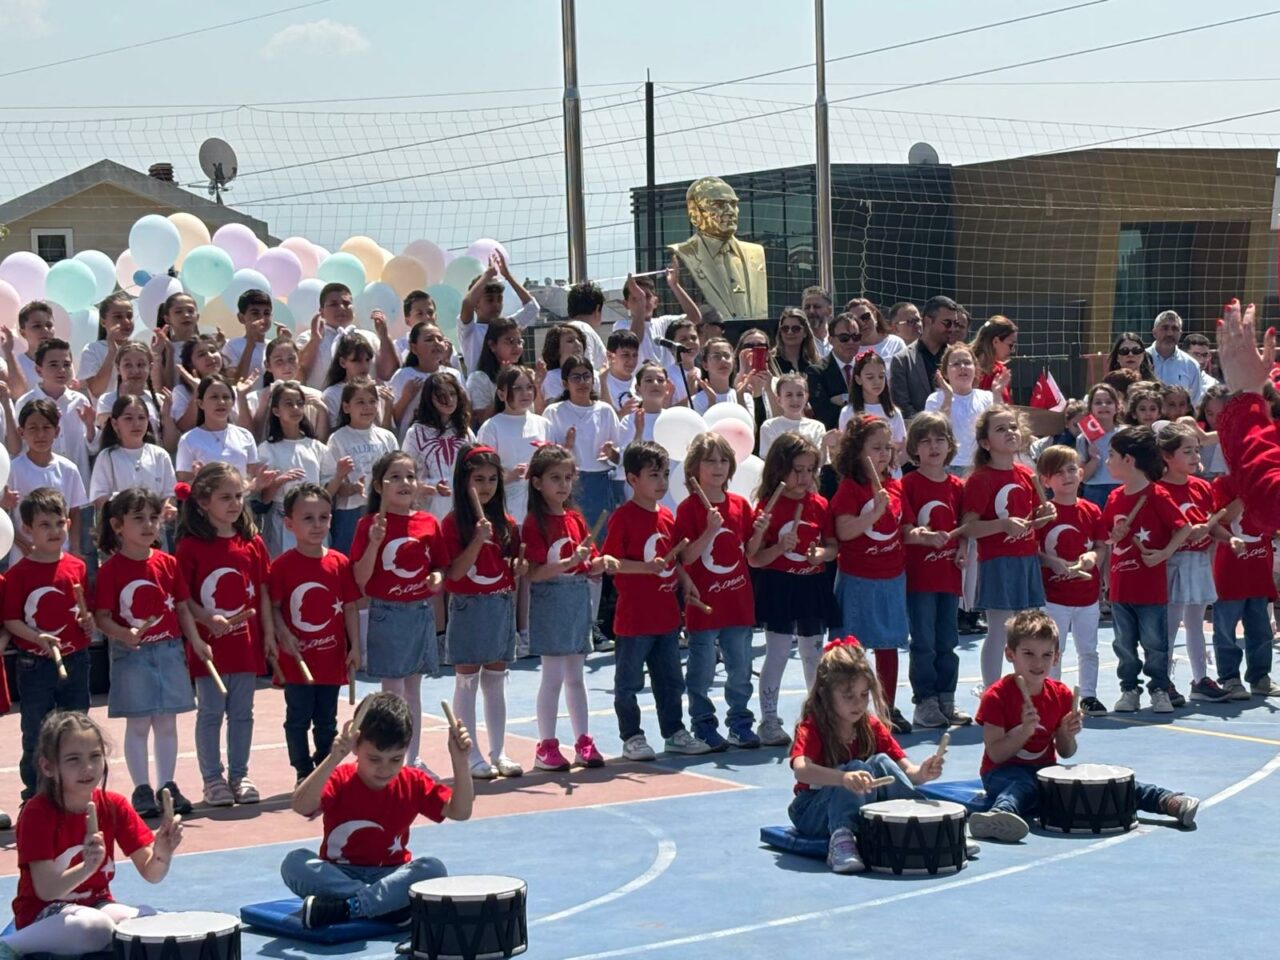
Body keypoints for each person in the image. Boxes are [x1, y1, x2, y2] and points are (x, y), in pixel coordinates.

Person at [968, 610, 1199, 842]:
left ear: (1056, 658)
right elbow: (996, 754)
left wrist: (1066, 734)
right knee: (1023, 785)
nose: (1038, 663)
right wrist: (1023, 732)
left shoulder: (1061, 694)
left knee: (1099, 783)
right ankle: (999, 814)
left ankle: (1166, 801)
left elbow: (1066, 752)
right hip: (1001, 773)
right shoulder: (996, 696)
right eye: (1028, 653)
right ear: (1010, 654)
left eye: (1046, 655)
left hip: (1044, 770)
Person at [282, 692, 473, 930]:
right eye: (374, 759)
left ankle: (348, 907)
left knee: (433, 868)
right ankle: (384, 905)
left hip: (391, 874)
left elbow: (461, 811)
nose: (384, 769)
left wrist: (460, 760)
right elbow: (301, 805)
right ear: (355, 745)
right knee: (294, 863)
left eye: (395, 759)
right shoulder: (340, 777)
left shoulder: (413, 780)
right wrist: (333, 758)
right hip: (339, 873)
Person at [0, 711, 182, 956]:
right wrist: (87, 867)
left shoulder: (114, 805)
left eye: (95, 756)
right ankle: (9, 947)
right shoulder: (37, 813)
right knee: (94, 928)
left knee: (148, 920)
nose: (87, 768)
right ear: (48, 766)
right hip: (43, 914)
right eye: (73, 759)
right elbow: (46, 890)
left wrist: (162, 853)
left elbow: (153, 874)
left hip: (97, 906)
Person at [787, 639, 953, 874]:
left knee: (881, 761)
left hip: (859, 802)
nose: (859, 703)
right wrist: (843, 778)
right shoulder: (813, 727)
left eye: (864, 694)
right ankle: (841, 839)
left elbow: (906, 771)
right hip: (811, 811)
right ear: (825, 694)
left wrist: (923, 773)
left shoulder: (870, 725)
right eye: (848, 696)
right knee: (854, 767)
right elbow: (801, 770)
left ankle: (925, 822)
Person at [603, 441, 711, 760]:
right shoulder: (623, 517)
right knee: (628, 683)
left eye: (664, 474)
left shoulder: (667, 516)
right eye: (653, 475)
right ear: (632, 479)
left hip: (666, 617)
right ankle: (632, 736)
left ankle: (674, 731)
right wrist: (645, 567)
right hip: (634, 619)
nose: (662, 482)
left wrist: (686, 580)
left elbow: (674, 560)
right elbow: (610, 563)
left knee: (671, 681)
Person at [94, 489, 199, 817]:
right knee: (138, 723)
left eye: (153, 517)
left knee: (167, 722)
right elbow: (102, 617)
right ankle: (141, 788)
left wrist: (196, 641)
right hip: (132, 655)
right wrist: (124, 634)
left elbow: (182, 608)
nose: (148, 525)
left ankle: (166, 785)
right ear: (117, 525)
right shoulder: (111, 570)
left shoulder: (168, 563)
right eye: (138, 518)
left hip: (169, 650)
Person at [176, 463, 275, 807]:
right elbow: (183, 598)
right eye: (225, 497)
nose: (234, 504)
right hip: (209, 647)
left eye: (238, 496)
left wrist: (269, 635)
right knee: (211, 712)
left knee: (243, 713)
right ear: (204, 502)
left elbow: (263, 592)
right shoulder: (190, 547)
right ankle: (212, 779)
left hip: (244, 644)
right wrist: (206, 619)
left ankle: (239, 774)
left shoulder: (252, 542)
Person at [351, 452, 446, 769]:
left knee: (414, 691)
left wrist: (436, 578)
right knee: (393, 691)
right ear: (379, 486)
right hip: (387, 613)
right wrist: (374, 543)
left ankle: (412, 759)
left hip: (419, 612)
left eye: (410, 476)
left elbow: (438, 566)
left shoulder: (428, 522)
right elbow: (360, 578)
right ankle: (393, 759)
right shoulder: (368, 524)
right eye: (395, 477)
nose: (404, 482)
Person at [523, 444, 613, 770]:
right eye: (555, 478)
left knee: (576, 676)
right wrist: (567, 563)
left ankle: (583, 740)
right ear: (537, 483)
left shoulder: (575, 518)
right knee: (553, 676)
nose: (563, 484)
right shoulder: (534, 523)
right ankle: (546, 745)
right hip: (550, 602)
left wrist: (601, 563)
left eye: (567, 477)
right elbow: (534, 573)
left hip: (576, 600)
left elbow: (589, 563)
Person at [2, 489, 94, 802]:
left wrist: (88, 623)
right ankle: (36, 793)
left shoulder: (77, 567)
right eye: (45, 525)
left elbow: (85, 612)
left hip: (76, 658)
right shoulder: (18, 574)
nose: (55, 531)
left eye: (59, 523)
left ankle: (73, 789)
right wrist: (37, 638)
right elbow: (12, 620)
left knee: (76, 725)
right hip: (35, 663)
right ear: (27, 529)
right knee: (36, 730)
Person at [443, 445, 526, 779]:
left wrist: (518, 567)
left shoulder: (507, 522)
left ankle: (498, 751)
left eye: (492, 479)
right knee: (467, 681)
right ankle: (471, 754)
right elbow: (454, 575)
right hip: (468, 606)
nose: (487, 486)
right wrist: (477, 540)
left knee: (495, 681)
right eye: (479, 479)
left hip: (499, 604)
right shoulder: (453, 524)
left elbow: (510, 566)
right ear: (464, 482)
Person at [269, 484, 362, 785]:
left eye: (323, 517)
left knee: (327, 719)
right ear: (289, 523)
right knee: (297, 718)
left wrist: (355, 647)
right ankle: (302, 769)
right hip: (297, 660)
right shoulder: (281, 566)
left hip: (330, 659)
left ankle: (324, 766)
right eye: (308, 518)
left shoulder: (339, 562)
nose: (317, 524)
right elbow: (273, 607)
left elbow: (350, 607)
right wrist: (283, 633)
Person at [746, 433, 833, 746]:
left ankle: (817, 717)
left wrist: (820, 554)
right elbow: (754, 558)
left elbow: (832, 547)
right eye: (798, 470)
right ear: (780, 469)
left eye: (810, 470)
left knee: (813, 653)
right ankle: (769, 720)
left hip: (811, 584)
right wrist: (779, 546)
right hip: (779, 585)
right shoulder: (768, 507)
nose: (804, 477)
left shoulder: (819, 504)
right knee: (779, 652)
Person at [675, 432, 759, 750]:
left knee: (740, 668)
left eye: (723, 460)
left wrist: (761, 532)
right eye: (709, 461)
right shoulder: (688, 509)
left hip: (737, 602)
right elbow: (687, 557)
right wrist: (710, 530)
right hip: (704, 603)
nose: (718, 466)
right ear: (694, 467)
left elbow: (750, 552)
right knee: (701, 671)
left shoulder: (740, 505)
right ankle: (703, 724)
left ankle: (740, 722)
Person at [1101, 426, 1193, 713]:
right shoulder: (1114, 497)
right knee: (1124, 645)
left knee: (1155, 644)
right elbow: (1106, 537)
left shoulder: (1157, 494)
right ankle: (1129, 689)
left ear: (1128, 460)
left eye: (1111, 455)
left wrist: (1165, 553)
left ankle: (1159, 689)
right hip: (1120, 586)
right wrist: (1114, 534)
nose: (1107, 461)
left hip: (1151, 587)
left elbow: (1184, 527)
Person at [828, 416, 911, 733]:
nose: (884, 454)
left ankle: (887, 707)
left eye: (887, 447)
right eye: (876, 448)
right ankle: (849, 709)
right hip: (859, 579)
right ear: (857, 451)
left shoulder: (895, 485)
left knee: (888, 645)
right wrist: (874, 512)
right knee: (853, 648)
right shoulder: (850, 488)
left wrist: (924, 535)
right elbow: (844, 531)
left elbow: (904, 527)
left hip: (891, 577)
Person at [961, 407, 1054, 688]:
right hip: (997, 562)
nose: (1010, 432)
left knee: (1029, 631)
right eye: (1001, 429)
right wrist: (1002, 525)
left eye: (1013, 427)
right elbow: (969, 527)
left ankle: (1029, 687)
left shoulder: (1026, 474)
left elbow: (1032, 520)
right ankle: (991, 690)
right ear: (985, 442)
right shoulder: (980, 479)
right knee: (1000, 629)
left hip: (1026, 560)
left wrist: (1044, 515)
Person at [900, 413, 970, 728]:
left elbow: (964, 528)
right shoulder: (908, 484)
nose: (933, 447)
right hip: (920, 579)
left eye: (940, 440)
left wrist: (963, 550)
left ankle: (947, 698)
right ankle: (925, 701)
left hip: (949, 577)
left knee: (948, 641)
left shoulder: (957, 486)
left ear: (950, 445)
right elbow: (905, 530)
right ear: (914, 448)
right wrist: (923, 536)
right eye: (925, 441)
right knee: (923, 642)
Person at [1035, 445, 1108, 716]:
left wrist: (1091, 557)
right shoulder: (1043, 513)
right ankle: (1053, 694)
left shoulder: (1092, 510)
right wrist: (1051, 561)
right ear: (1046, 481)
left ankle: (1089, 695)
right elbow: (1032, 551)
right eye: (1058, 472)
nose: (1067, 476)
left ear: (1081, 473)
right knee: (1054, 649)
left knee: (1088, 648)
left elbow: (1101, 546)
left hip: (1087, 596)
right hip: (1053, 597)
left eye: (1071, 469)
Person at [1156, 422, 1221, 707]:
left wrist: (1218, 537)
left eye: (1197, 450)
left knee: (1196, 622)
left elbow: (1212, 526)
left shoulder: (1202, 487)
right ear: (1167, 456)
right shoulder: (1158, 490)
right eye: (1188, 451)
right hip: (1173, 563)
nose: (1196, 457)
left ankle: (1201, 679)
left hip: (1199, 561)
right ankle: (1164, 681)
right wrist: (1183, 534)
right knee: (1170, 624)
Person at [1209, 468, 1280, 699]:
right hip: (1230, 569)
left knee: (1261, 629)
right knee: (1225, 629)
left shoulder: (1269, 482)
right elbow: (1223, 519)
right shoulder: (1223, 483)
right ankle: (1230, 678)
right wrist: (1246, 494)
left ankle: (1260, 678)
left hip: (1259, 568)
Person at [4, 400, 88, 566]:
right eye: (33, 428)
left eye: (46, 427)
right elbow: (5, 514)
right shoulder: (13, 469)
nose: (40, 434)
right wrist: (22, 542)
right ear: (21, 432)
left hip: (61, 555)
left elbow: (75, 513)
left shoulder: (68, 469)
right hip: (24, 556)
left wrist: (75, 547)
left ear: (57, 431)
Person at [328, 377, 400, 554]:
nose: (368, 407)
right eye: (360, 402)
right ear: (346, 407)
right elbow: (332, 484)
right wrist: (352, 488)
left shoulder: (387, 437)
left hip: (384, 507)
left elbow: (398, 471)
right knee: (351, 557)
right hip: (351, 511)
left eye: (372, 401)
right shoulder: (338, 439)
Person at [475, 366, 550, 523]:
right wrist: (509, 476)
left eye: (529, 387)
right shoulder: (491, 427)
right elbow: (481, 472)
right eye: (517, 388)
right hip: (505, 508)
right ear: (501, 394)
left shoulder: (543, 424)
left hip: (539, 506)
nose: (525, 393)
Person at [400, 374, 473, 524]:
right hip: (430, 510)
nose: (449, 400)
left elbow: (475, 464)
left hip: (462, 508)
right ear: (429, 399)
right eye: (441, 395)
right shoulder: (416, 432)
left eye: (452, 394)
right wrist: (433, 485)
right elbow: (406, 473)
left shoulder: (464, 430)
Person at [297, 283, 396, 390]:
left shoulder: (370, 337)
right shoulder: (308, 337)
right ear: (322, 312)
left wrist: (384, 336)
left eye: (346, 303)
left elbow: (388, 374)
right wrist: (315, 341)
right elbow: (299, 372)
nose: (341, 308)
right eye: (333, 304)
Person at [458, 251, 538, 376]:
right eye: (489, 300)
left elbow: (532, 308)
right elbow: (467, 304)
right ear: (476, 303)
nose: (496, 304)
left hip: (506, 385)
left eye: (499, 299)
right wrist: (487, 275)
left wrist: (507, 276)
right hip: (479, 386)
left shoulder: (507, 326)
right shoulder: (470, 331)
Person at [175, 375, 261, 483]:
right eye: (214, 397)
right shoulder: (188, 440)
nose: (221, 402)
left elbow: (252, 477)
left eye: (226, 397)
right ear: (200, 403)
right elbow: (183, 484)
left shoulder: (245, 435)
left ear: (233, 402)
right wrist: (200, 479)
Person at [925, 343, 995, 474]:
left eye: (967, 363)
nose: (962, 367)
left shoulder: (987, 398)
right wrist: (948, 397)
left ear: (975, 369)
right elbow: (934, 432)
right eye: (956, 364)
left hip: (980, 465)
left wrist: (998, 394)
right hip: (947, 466)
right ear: (945, 373)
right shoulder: (935, 400)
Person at [614, 262, 702, 365]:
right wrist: (640, 310)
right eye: (636, 298)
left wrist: (675, 285)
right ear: (626, 304)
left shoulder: (664, 323)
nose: (643, 301)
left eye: (647, 296)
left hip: (667, 375)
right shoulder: (621, 326)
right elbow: (632, 344)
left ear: (655, 302)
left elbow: (694, 318)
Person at [889, 295, 958, 419]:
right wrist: (930, 426)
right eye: (947, 323)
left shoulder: (959, 358)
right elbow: (903, 408)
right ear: (928, 321)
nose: (952, 328)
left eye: (955, 323)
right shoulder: (902, 360)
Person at [390, 321, 462, 436]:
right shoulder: (403, 376)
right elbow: (392, 420)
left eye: (440, 339)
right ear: (414, 348)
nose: (436, 343)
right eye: (429, 339)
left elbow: (463, 411)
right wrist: (406, 397)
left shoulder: (454, 374)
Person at [838, 350, 906, 472]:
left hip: (890, 474)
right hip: (860, 474)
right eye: (870, 377)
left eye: (881, 376)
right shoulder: (848, 412)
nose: (877, 382)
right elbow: (845, 449)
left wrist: (890, 466)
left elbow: (902, 447)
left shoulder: (893, 412)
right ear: (858, 379)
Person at [805, 313, 861, 432]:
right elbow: (823, 414)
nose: (851, 342)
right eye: (844, 338)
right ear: (831, 340)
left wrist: (843, 399)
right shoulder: (817, 372)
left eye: (856, 337)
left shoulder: (866, 368)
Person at [78, 292, 136, 400]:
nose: (126, 321)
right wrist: (112, 353)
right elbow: (96, 391)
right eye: (118, 317)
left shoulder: (138, 349)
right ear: (103, 322)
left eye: (129, 316)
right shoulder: (92, 350)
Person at [466, 319, 525, 424]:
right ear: (492, 345)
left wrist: (537, 386)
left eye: (520, 342)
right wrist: (504, 383)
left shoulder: (525, 376)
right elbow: (483, 419)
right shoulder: (478, 379)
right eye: (510, 341)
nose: (517, 347)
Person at [758, 372, 826, 463]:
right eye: (789, 395)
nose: (795, 400)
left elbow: (820, 462)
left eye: (800, 394)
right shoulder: (770, 426)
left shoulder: (817, 427)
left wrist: (825, 445)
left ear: (806, 398)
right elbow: (768, 460)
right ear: (779, 400)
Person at [1077, 383, 1122, 510]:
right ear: (1090, 408)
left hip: (1122, 488)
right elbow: (1083, 477)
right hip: (1094, 491)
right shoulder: (1084, 438)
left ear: (1117, 407)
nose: (1103, 405)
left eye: (1108, 402)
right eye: (1098, 402)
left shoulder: (1126, 434)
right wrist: (1094, 459)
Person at [1147, 310, 1204, 405]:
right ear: (1154, 332)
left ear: (1180, 333)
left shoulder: (1191, 365)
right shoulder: (1141, 359)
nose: (1170, 333)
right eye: (1165, 328)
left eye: (1175, 329)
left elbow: (1194, 402)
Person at [222, 289, 273, 391]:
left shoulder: (273, 346)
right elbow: (235, 382)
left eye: (266, 313)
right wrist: (250, 344)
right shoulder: (232, 345)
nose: (262, 318)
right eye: (255, 313)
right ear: (241, 318)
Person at [535, 324, 588, 412]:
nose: (578, 344)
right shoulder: (552, 377)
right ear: (556, 348)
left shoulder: (595, 374)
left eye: (579, 339)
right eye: (570, 341)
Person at [564, 281, 610, 373]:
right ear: (597, 309)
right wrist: (604, 371)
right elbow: (585, 372)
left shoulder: (561, 331)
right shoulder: (584, 331)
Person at [969, 316, 1017, 404]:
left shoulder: (1000, 370)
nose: (1013, 350)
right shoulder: (965, 367)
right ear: (995, 341)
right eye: (1011, 345)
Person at [846, 298, 906, 363]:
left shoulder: (895, 344)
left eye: (865, 317)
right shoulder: (848, 350)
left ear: (874, 315)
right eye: (856, 320)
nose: (862, 323)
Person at [600, 329, 640, 414]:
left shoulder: (642, 380)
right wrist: (622, 414)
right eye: (625, 355)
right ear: (610, 356)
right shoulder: (599, 383)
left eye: (635, 355)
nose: (631, 361)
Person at [772, 307, 818, 376]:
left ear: (805, 332)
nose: (789, 332)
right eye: (785, 328)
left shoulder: (814, 364)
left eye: (796, 328)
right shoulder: (772, 362)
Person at [802, 286, 833, 357]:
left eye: (816, 307)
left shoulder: (840, 340)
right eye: (807, 307)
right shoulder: (797, 341)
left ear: (829, 311)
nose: (811, 311)